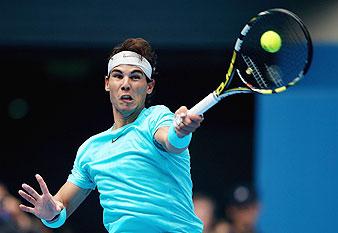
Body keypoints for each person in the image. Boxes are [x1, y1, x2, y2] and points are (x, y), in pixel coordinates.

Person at [18, 38, 204, 233]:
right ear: (107, 83)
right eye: (118, 76)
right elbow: (61, 207)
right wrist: (50, 213)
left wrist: (181, 131)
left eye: (135, 77)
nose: (126, 84)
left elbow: (171, 141)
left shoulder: (157, 118)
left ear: (149, 86)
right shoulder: (91, 149)